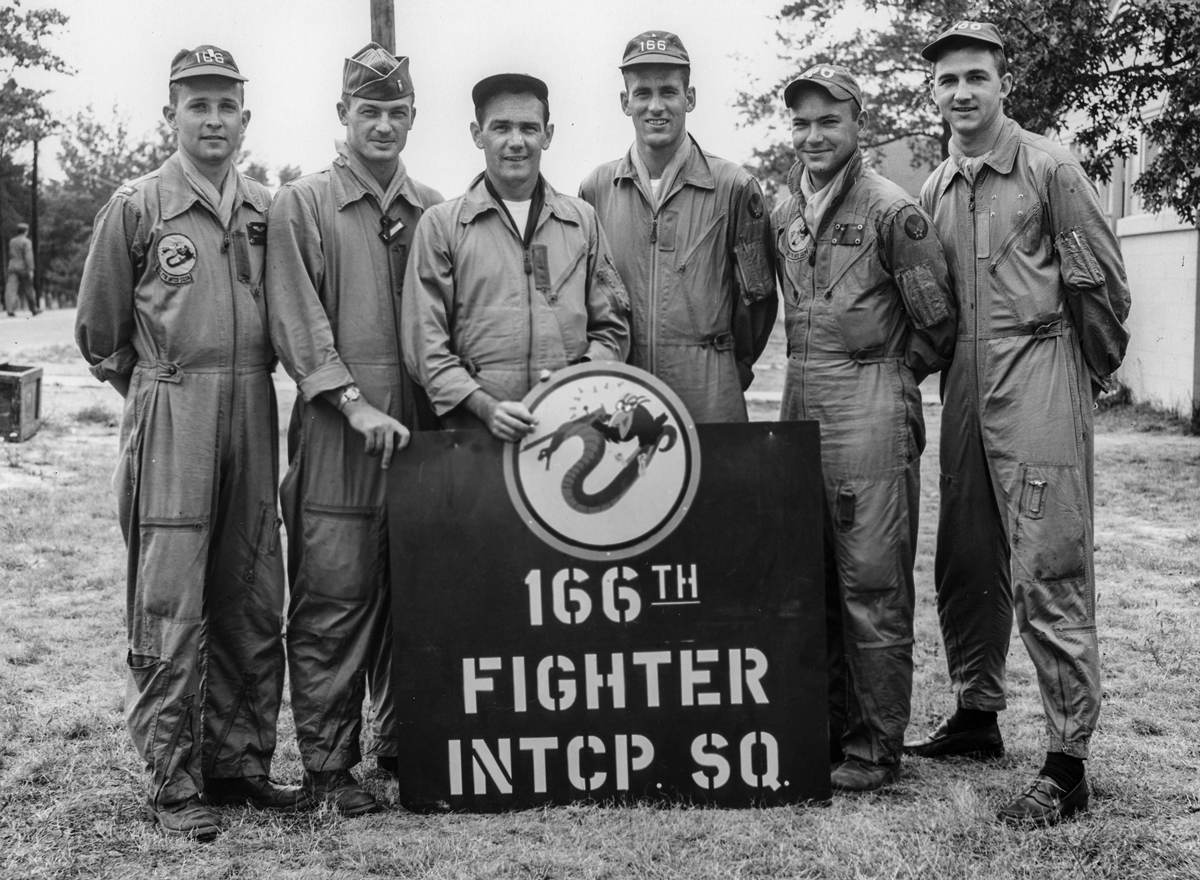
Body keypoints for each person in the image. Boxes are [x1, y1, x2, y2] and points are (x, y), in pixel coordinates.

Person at [905, 20, 1131, 825]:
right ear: (933, 92)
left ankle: (1067, 760)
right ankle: (977, 712)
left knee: (1048, 562)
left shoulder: (1049, 168)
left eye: (976, 76)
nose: (962, 92)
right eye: (947, 80)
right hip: (965, 381)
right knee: (965, 556)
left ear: (1004, 83)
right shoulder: (935, 187)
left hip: (1038, 367)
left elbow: (1102, 287)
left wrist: (1079, 379)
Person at [75, 45, 303, 841]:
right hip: (172, 402)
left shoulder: (268, 210)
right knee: (170, 598)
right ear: (169, 115)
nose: (212, 120)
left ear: (246, 118)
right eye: (197, 105)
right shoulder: (139, 206)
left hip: (252, 403)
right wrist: (160, 396)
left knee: (252, 586)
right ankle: (173, 778)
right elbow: (100, 333)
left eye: (225, 106)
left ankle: (239, 763)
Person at [265, 42, 442, 815]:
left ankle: (404, 744)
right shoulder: (302, 204)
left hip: (420, 439)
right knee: (333, 599)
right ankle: (330, 767)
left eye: (396, 111)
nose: (383, 125)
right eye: (369, 111)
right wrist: (349, 400)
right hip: (338, 438)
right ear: (343, 113)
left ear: (413, 116)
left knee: (416, 592)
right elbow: (295, 318)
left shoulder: (435, 210)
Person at [772, 65, 956, 793]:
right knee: (811, 576)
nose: (814, 135)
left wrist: (886, 380)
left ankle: (876, 747)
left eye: (829, 121)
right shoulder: (785, 209)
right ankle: (823, 729)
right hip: (800, 401)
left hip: (870, 401)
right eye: (802, 122)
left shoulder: (892, 211)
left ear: (857, 125)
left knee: (871, 583)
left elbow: (936, 323)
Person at [402, 73, 630, 440]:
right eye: (501, 127)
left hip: (568, 430)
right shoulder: (442, 226)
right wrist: (484, 407)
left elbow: (613, 328)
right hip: (474, 436)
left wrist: (574, 388)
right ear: (477, 134)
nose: (516, 141)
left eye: (529, 128)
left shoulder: (582, 222)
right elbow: (423, 345)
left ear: (547, 135)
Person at [579, 31, 776, 423]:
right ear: (625, 102)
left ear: (690, 98)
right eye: (642, 93)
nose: (656, 106)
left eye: (669, 91)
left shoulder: (734, 187)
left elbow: (757, 301)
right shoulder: (596, 190)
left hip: (709, 396)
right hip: (624, 397)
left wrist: (725, 371)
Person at [5, 222, 39, 316]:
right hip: (23, 268)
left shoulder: (12, 241)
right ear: (26, 231)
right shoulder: (26, 242)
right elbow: (28, 256)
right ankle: (33, 309)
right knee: (29, 288)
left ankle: (10, 310)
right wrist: (31, 269)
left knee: (11, 289)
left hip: (12, 267)